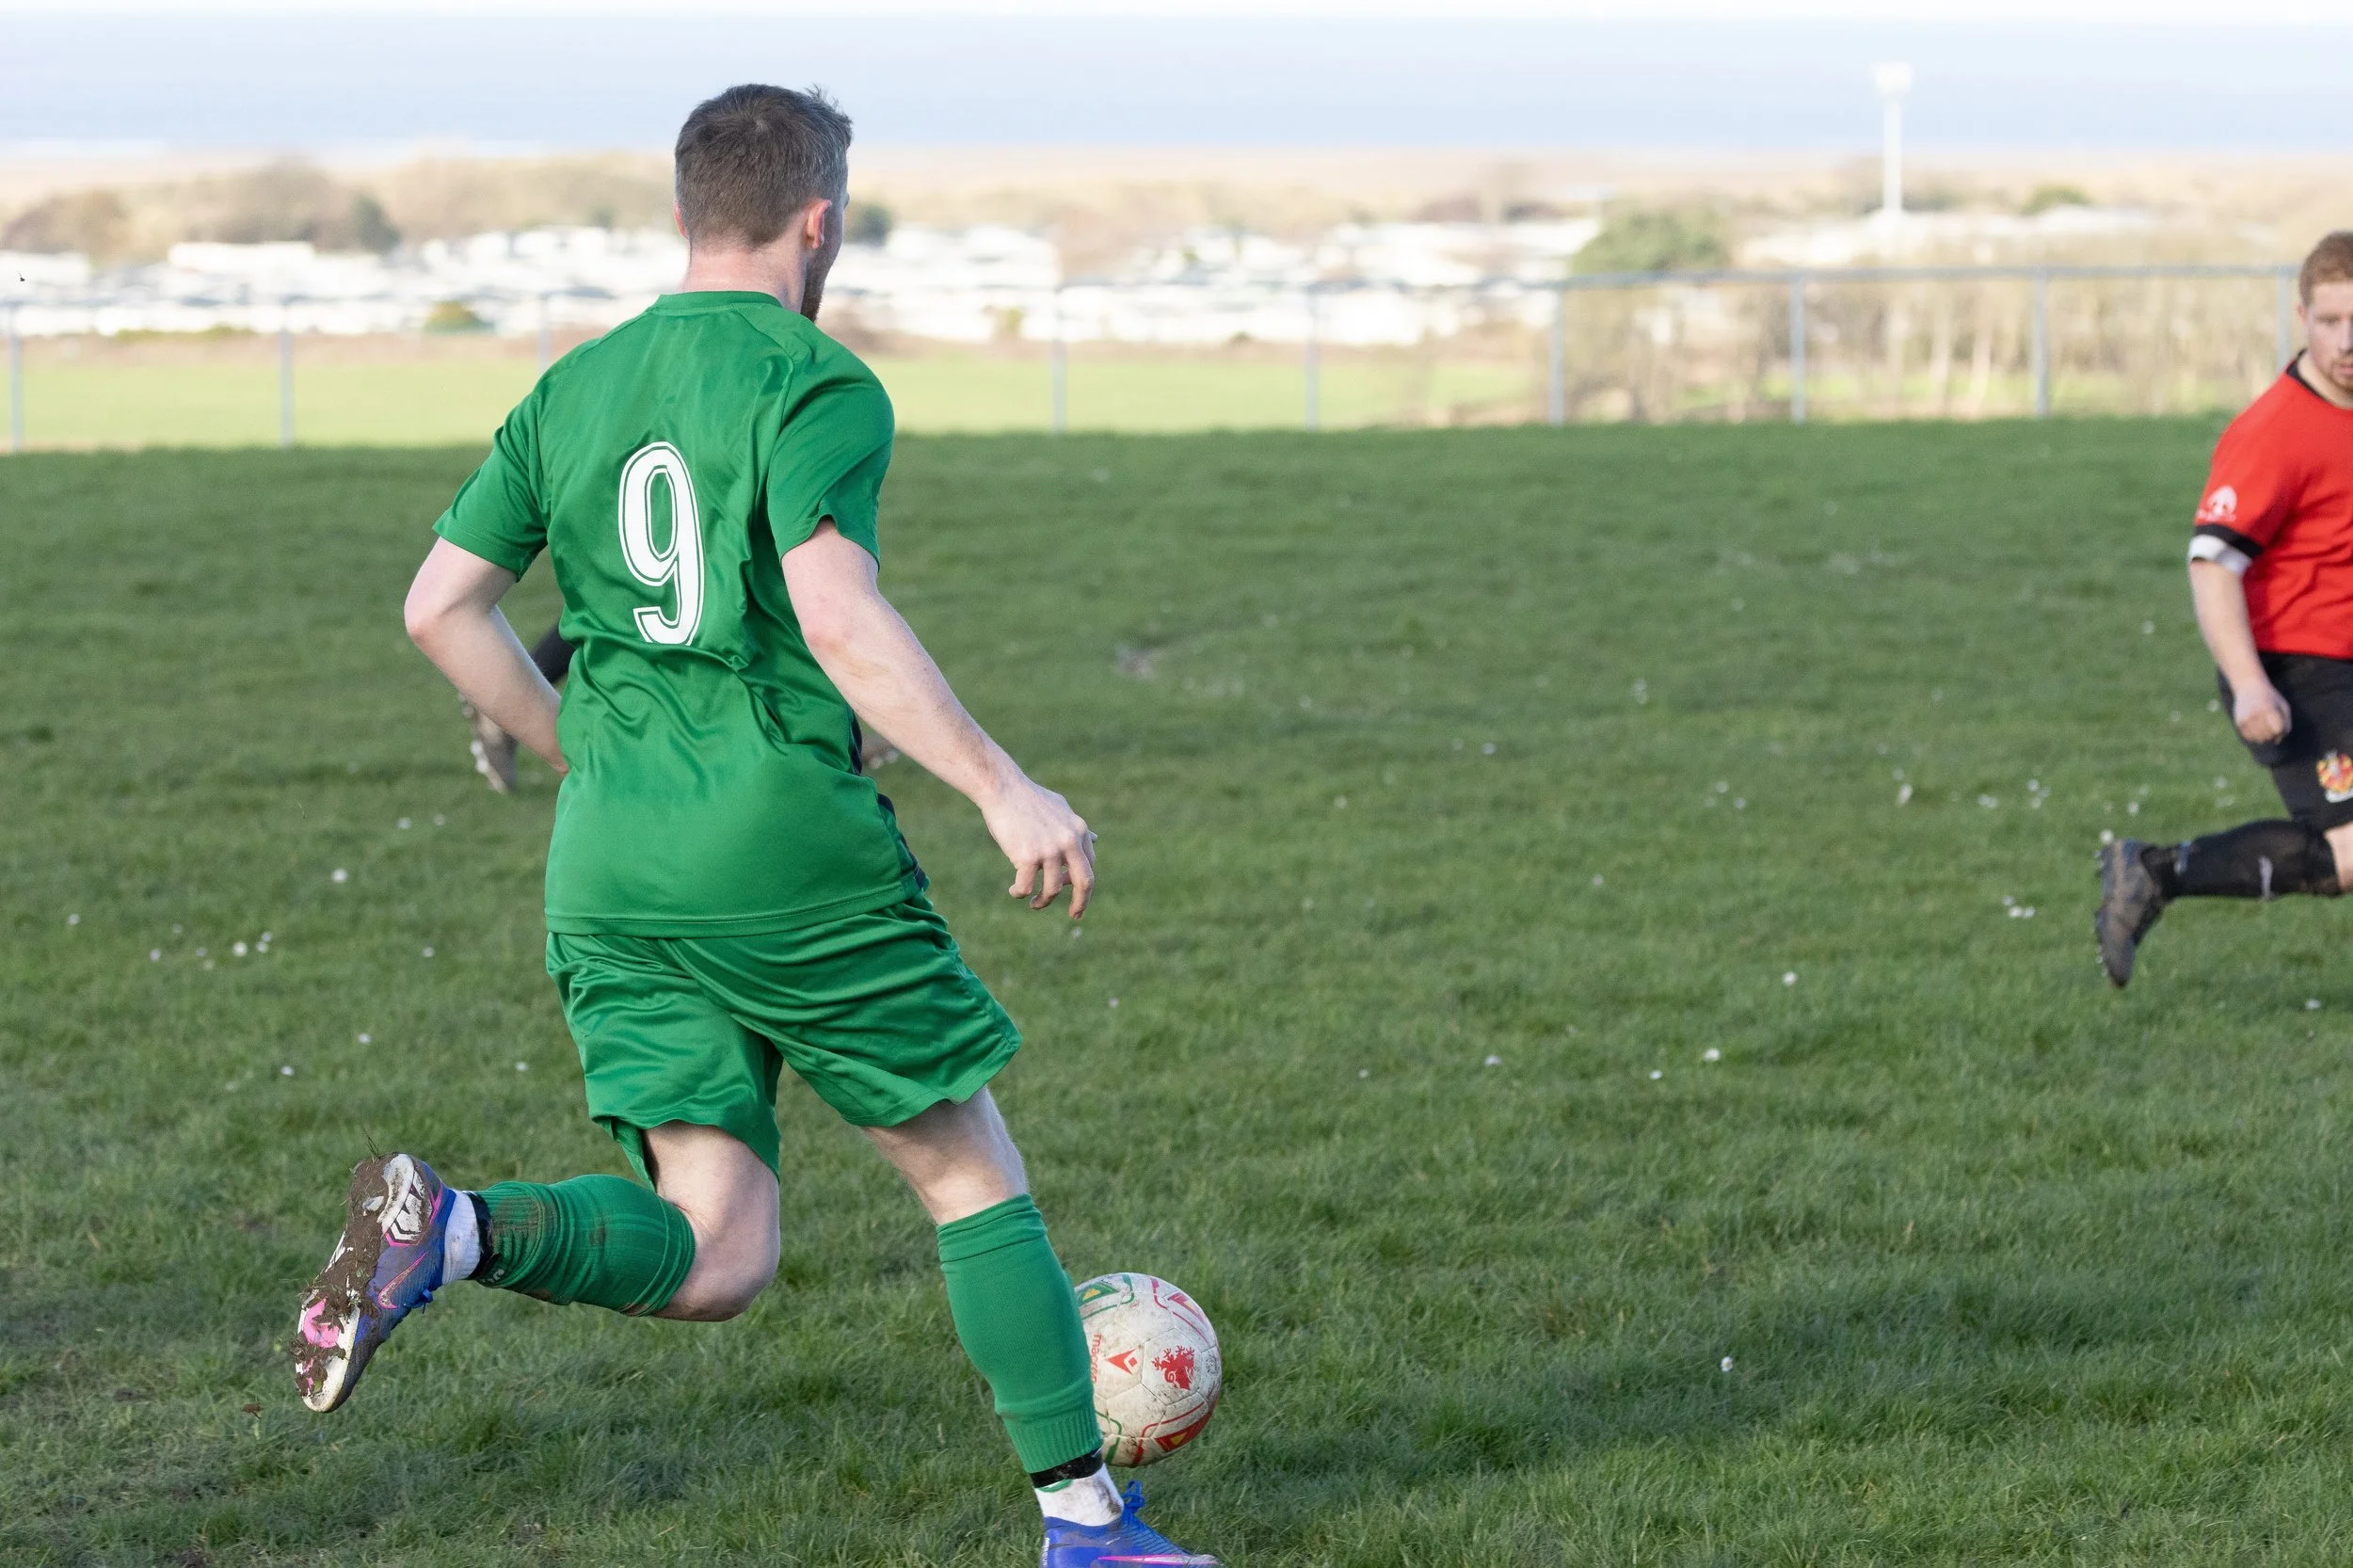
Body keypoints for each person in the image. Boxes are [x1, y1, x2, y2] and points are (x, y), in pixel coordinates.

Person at [294, 85, 1217, 1567]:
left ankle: (449, 1228)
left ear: (680, 218)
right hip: (784, 848)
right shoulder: (821, 381)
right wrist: (1001, 783)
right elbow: (839, 611)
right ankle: (1088, 1525)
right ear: (820, 221)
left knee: (717, 1247)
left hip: (609, 868)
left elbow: (438, 607)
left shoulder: (572, 386)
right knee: (968, 1173)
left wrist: (580, 748)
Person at [2097, 231, 2353, 988]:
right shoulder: (2274, 432)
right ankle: (2155, 871)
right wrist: (2247, 683)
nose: (2349, 341)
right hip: (2297, 668)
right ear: (2301, 315)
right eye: (2332, 321)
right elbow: (2213, 564)